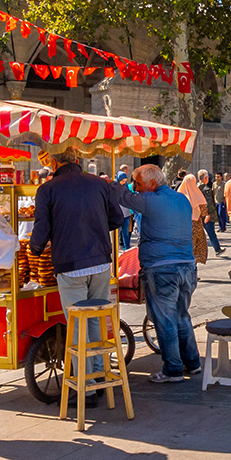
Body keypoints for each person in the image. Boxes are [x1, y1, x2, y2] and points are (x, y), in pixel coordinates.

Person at [30, 147, 124, 410]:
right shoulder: (99, 184)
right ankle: (98, 378)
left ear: (54, 161)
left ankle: (85, 388)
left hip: (70, 265)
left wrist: (33, 249)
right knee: (94, 320)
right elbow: (116, 218)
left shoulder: (48, 189)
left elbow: (41, 229)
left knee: (76, 325)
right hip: (101, 262)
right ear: (77, 160)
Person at [112, 164, 201, 381]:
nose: (135, 187)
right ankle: (193, 362)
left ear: (152, 183)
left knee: (165, 320)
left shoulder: (150, 201)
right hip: (187, 266)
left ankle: (172, 369)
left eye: (138, 183)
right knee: (182, 315)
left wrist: (113, 184)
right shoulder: (181, 199)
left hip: (162, 269)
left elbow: (122, 196)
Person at [177, 171, 209, 265]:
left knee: (184, 249)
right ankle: (192, 271)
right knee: (195, 248)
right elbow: (204, 212)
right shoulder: (197, 195)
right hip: (196, 226)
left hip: (182, 226)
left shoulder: (179, 196)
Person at [198, 170, 224, 253]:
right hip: (206, 215)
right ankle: (217, 249)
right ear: (206, 178)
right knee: (211, 233)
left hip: (197, 214)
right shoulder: (206, 189)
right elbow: (208, 203)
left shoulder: (195, 188)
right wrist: (209, 214)